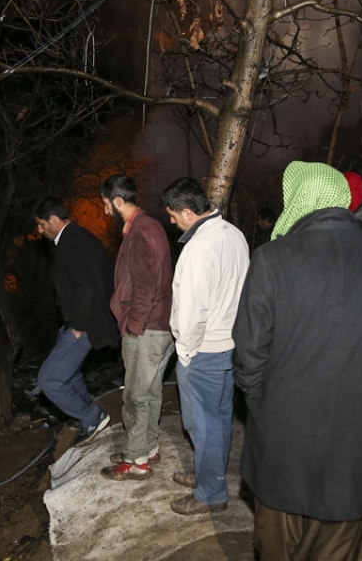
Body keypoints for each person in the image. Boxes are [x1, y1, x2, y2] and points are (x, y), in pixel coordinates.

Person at [234, 161, 362, 560]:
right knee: (337, 545)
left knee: (278, 545)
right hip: (358, 431)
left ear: (298, 198)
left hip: (285, 436)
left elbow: (248, 351)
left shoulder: (272, 258)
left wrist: (260, 403)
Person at [161, 177, 249, 515]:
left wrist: (185, 353)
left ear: (187, 211)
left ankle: (211, 494)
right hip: (232, 345)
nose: (171, 221)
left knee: (203, 423)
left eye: (172, 215)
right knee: (221, 417)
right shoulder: (234, 234)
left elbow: (190, 313)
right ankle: (209, 474)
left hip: (204, 350)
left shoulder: (197, 249)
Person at [98, 174, 175, 480]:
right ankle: (147, 446)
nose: (105, 211)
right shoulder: (146, 226)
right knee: (151, 391)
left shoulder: (142, 232)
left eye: (105, 204)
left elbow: (145, 287)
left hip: (147, 329)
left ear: (118, 201)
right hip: (159, 326)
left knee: (135, 396)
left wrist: (133, 326)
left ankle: (135, 461)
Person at [34, 197, 121, 446]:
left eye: (41, 224)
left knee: (49, 379)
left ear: (53, 219)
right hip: (81, 322)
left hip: (85, 325)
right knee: (69, 375)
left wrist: (78, 326)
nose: (39, 231)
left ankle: (92, 417)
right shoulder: (80, 237)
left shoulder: (71, 243)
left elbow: (85, 288)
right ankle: (86, 417)